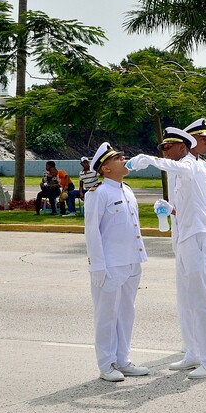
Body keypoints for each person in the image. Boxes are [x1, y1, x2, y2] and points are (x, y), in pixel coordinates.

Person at [127, 122, 206, 380]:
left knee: (202, 299)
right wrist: (169, 210)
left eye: (167, 147)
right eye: (162, 149)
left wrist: (149, 159)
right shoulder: (179, 171)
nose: (165, 152)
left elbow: (178, 166)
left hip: (198, 238)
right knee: (185, 299)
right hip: (183, 238)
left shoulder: (193, 164)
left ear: (182, 146)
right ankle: (193, 352)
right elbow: (188, 207)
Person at [84, 141, 149, 382]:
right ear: (105, 169)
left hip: (131, 263)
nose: (124, 159)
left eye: (122, 156)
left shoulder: (127, 190)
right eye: (117, 158)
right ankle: (106, 364)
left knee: (126, 313)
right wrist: (97, 266)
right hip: (110, 265)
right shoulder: (98, 194)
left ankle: (123, 359)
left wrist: (139, 257)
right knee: (106, 315)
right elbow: (92, 232)